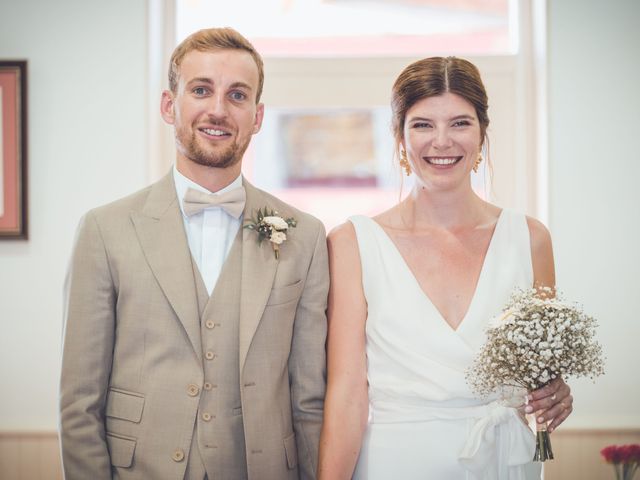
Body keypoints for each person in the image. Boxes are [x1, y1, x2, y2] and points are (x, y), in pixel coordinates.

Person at [59, 27, 328, 480]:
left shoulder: (306, 236)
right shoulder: (104, 230)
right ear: (170, 105)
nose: (218, 110)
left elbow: (309, 401)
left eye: (237, 95)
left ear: (258, 116)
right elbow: (79, 402)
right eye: (201, 90)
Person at [318, 56, 573, 479]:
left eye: (459, 123)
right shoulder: (352, 244)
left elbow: (541, 376)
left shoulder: (530, 239)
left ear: (482, 133)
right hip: (396, 463)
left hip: (505, 460)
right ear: (400, 137)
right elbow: (347, 395)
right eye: (422, 125)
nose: (442, 141)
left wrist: (554, 393)